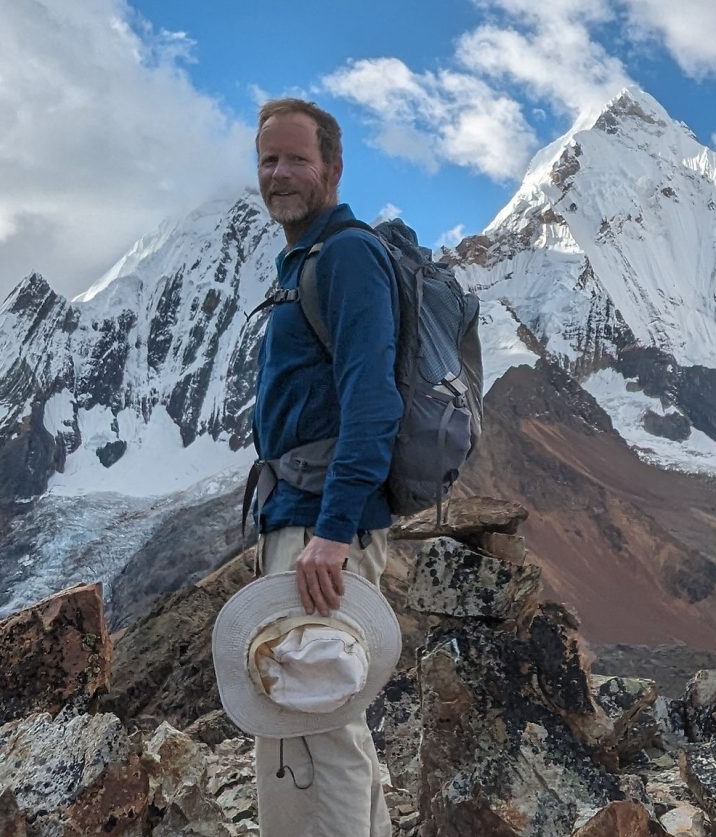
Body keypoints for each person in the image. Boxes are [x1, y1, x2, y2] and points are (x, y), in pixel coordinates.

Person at [250, 98, 402, 836]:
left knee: (311, 726)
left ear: (333, 168)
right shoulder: (307, 259)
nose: (279, 174)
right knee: (318, 718)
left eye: (296, 159)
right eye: (268, 160)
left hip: (321, 525)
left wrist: (333, 532)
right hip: (301, 516)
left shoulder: (345, 255)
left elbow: (373, 401)